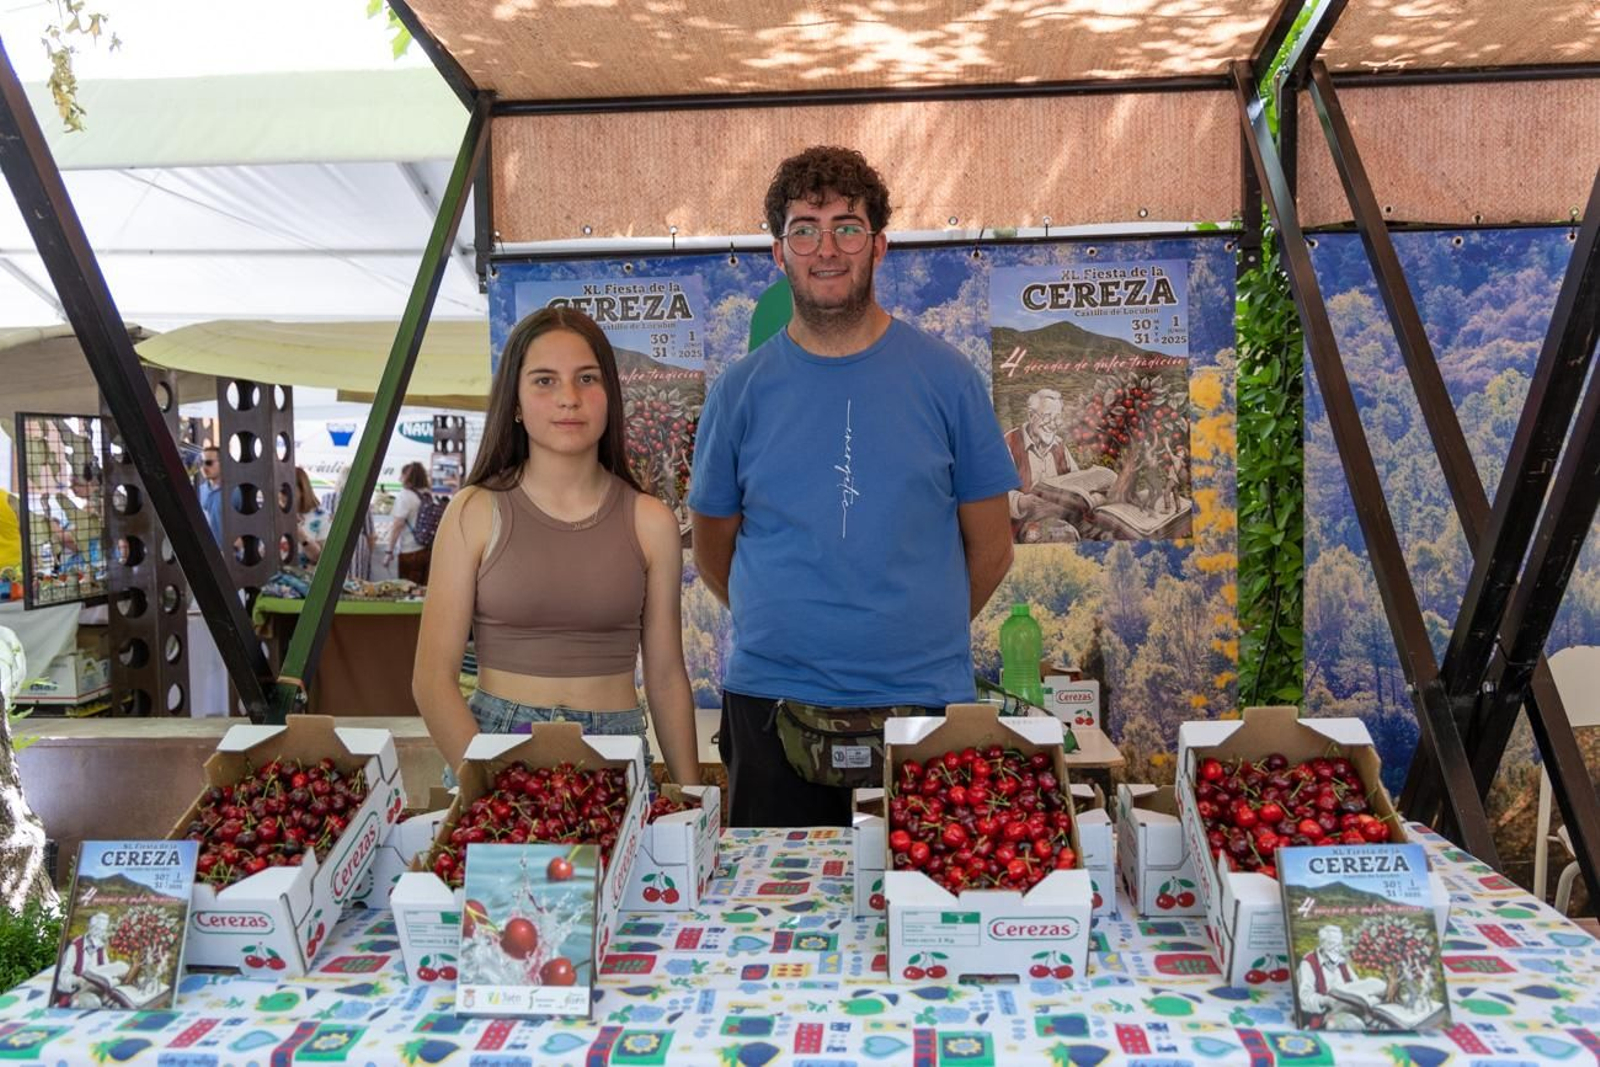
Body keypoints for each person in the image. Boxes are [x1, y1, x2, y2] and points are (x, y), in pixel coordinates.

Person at [688, 145, 1018, 828]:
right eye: (804, 228)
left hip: (923, 706)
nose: (827, 247)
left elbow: (992, 550)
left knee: (921, 911)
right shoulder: (739, 392)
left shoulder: (949, 380)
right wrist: (791, 626)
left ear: (880, 245)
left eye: (847, 225)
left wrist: (911, 634)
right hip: (772, 705)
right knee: (774, 917)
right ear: (778, 253)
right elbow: (713, 551)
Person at [413, 306, 701, 787]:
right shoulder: (475, 511)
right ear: (516, 404)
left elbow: (667, 677)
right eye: (545, 381)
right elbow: (431, 682)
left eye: (587, 378)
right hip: (494, 749)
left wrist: (692, 796)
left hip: (616, 753)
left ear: (610, 394)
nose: (569, 398)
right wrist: (487, 790)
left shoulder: (652, 522)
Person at [1005, 387, 1090, 539]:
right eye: (1047, 416)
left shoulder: (1059, 446)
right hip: (1026, 526)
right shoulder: (1009, 444)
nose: (1053, 424)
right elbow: (995, 494)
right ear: (1031, 416)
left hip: (1063, 519)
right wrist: (1022, 502)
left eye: (1057, 418)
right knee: (1062, 536)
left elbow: (1077, 481)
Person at [1297, 925, 1365, 1028]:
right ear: (1322, 944)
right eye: (1332, 944)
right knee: (1352, 1025)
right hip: (1326, 1016)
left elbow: (1357, 984)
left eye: (1338, 945)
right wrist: (1326, 1001)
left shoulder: (1342, 962)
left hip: (1350, 1009)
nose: (1336, 949)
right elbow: (1304, 998)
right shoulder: (1309, 963)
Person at [321, 465, 376, 581]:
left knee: (332, 581)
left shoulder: (327, 498)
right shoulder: (362, 500)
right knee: (357, 584)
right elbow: (370, 534)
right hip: (357, 545)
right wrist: (369, 552)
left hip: (331, 543)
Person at [385, 462, 432, 585]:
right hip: (428, 549)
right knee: (423, 591)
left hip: (409, 550)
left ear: (407, 477)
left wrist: (389, 551)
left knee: (408, 590)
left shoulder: (404, 496)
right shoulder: (428, 494)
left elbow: (397, 525)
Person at [295, 468, 330, 567]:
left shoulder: (323, 517)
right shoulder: (273, 514)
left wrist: (301, 535)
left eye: (284, 491)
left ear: (302, 490)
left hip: (305, 579)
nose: (280, 495)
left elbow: (321, 558)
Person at [197, 446, 224, 543]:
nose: (204, 467)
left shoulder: (235, 492)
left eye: (209, 463)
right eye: (201, 463)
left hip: (230, 554)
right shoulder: (199, 491)